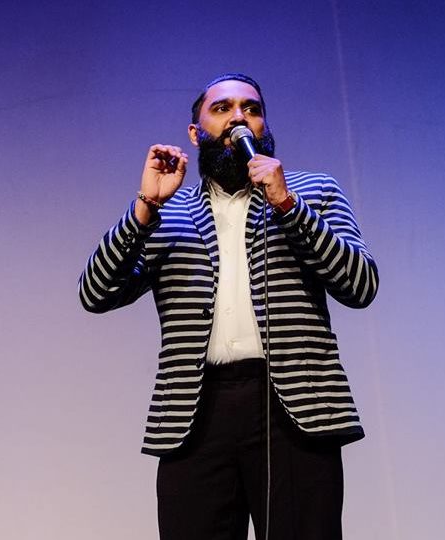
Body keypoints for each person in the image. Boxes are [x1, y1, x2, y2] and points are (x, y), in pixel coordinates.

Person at [79, 73, 378, 540]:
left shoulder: (314, 191)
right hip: (196, 413)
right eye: (222, 109)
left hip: (294, 408)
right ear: (195, 133)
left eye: (251, 109)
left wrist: (287, 204)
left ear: (264, 126)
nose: (239, 118)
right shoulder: (166, 213)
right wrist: (143, 208)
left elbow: (360, 285)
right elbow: (95, 293)